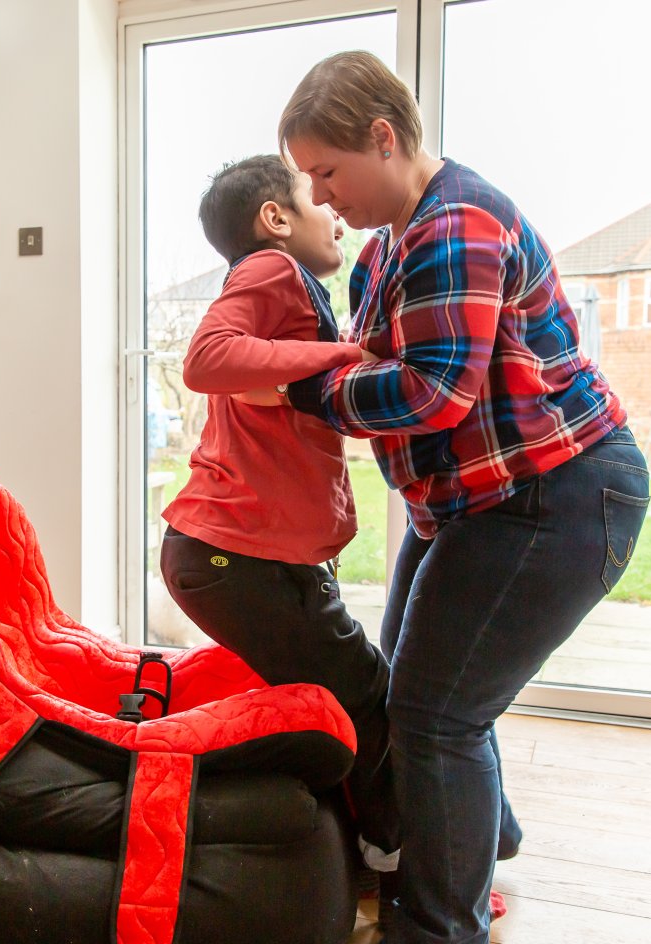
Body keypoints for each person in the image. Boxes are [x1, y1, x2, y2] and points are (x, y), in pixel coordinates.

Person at [236, 50, 650, 944]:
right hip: (474, 501)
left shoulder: (455, 224)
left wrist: (300, 389)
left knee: (434, 713)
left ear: (386, 137)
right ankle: (476, 836)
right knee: (416, 692)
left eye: (331, 172)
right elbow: (364, 352)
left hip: (557, 495)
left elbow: (430, 391)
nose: (325, 198)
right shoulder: (388, 248)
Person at [159, 154, 401, 876]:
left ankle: (349, 838)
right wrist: (343, 352)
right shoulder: (272, 271)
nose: (332, 209)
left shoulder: (292, 296)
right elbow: (205, 359)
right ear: (275, 219)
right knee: (364, 688)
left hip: (234, 557)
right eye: (314, 197)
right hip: (229, 558)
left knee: (334, 687)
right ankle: (396, 854)